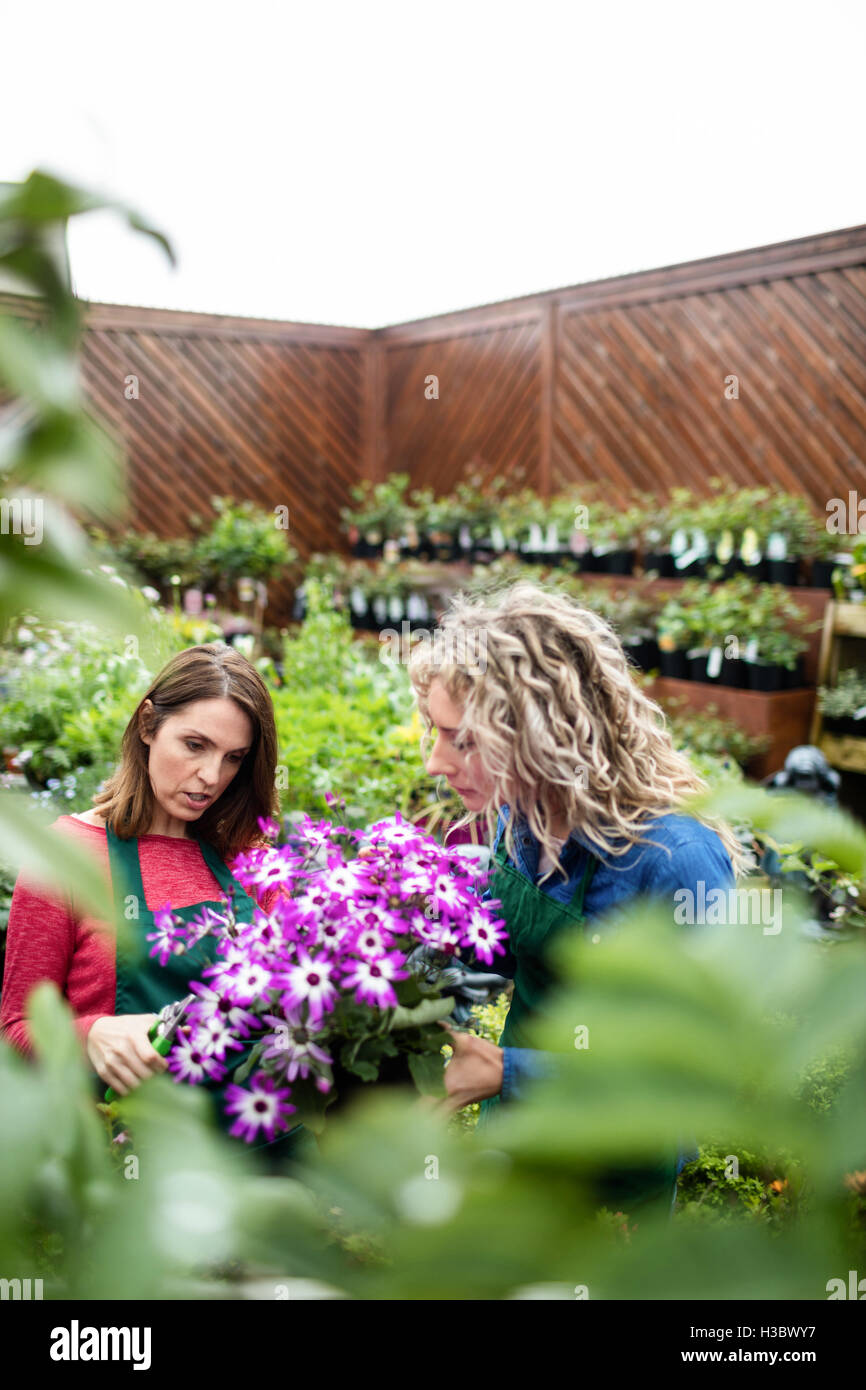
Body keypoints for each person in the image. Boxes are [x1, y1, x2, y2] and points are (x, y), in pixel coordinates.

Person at [408, 581, 750, 1213]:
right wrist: (397, 992)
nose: (436, 762)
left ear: (545, 733)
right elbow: (493, 952)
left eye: (463, 739)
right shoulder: (522, 819)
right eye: (436, 731)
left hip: (618, 1179)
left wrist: (508, 1071)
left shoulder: (676, 860)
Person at [0, 641, 310, 1168]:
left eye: (234, 758)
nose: (212, 776)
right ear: (148, 725)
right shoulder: (69, 855)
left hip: (262, 1164)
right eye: (195, 745)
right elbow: (15, 1030)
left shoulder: (249, 860)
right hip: (130, 1174)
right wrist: (89, 1033)